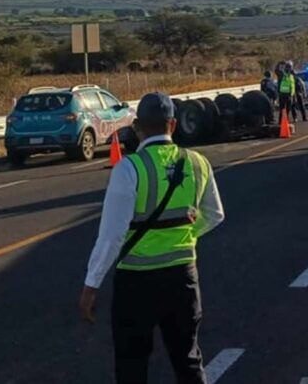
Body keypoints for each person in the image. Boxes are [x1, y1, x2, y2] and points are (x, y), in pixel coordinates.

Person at [79, 93, 225, 384]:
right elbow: (215, 214)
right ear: (173, 124)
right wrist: (184, 236)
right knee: (188, 360)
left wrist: (91, 285)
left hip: (137, 282)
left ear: (137, 127)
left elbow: (111, 235)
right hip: (183, 277)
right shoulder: (198, 163)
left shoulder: (129, 168)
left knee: (132, 364)